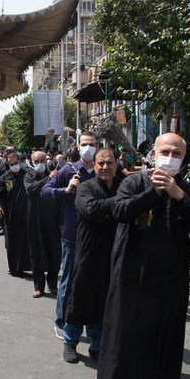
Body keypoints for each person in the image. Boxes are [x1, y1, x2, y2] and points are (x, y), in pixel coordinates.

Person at [96, 133, 190, 379]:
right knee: (125, 342)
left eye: (176, 152)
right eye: (165, 151)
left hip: (168, 281)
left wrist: (177, 196)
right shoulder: (134, 182)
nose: (170, 156)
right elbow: (119, 210)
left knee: (158, 342)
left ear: (183, 158)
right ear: (154, 153)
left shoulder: (187, 189)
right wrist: (154, 193)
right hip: (131, 277)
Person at [40, 132, 97, 350]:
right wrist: (66, 189)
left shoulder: (103, 169)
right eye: (85, 144)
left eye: (92, 144)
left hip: (98, 235)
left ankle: (93, 327)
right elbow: (45, 192)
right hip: (72, 234)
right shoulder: (69, 170)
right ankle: (61, 322)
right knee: (69, 280)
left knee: (94, 282)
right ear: (78, 147)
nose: (89, 148)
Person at [64, 148, 119, 362]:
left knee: (103, 301)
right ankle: (70, 342)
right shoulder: (85, 187)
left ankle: (97, 344)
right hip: (87, 253)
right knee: (79, 299)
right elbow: (89, 209)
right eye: (100, 163)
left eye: (109, 163)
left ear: (116, 165)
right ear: (94, 165)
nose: (105, 167)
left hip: (112, 254)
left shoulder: (121, 187)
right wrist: (118, 202)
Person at [23, 150, 61, 297]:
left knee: (54, 253)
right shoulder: (28, 176)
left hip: (52, 220)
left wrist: (61, 220)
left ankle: (52, 284)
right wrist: (46, 180)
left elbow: (60, 196)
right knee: (36, 252)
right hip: (35, 220)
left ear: (47, 161)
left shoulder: (55, 174)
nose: (40, 164)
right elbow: (31, 190)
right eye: (36, 161)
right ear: (32, 163)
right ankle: (39, 286)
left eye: (42, 161)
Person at [0, 152, 31, 277]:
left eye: (16, 163)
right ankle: (13, 267)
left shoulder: (28, 175)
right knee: (11, 243)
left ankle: (25, 266)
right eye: (11, 164)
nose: (14, 165)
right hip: (10, 216)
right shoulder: (5, 177)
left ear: (20, 162)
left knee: (25, 241)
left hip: (26, 215)